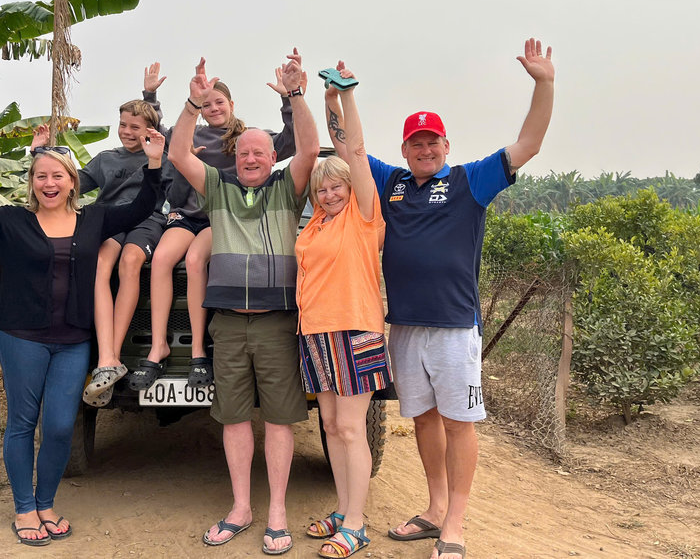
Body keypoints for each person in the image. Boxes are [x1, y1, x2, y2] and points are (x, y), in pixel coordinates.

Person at [325, 38, 555, 559]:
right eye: (416, 143)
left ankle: (454, 524)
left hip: (454, 327)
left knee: (459, 422)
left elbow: (529, 143)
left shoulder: (470, 181)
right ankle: (432, 509)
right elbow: (349, 149)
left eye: (433, 143)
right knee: (424, 420)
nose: (425, 150)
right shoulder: (393, 183)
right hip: (404, 324)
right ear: (405, 149)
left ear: (446, 146)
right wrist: (337, 100)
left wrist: (544, 83)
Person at [0, 130, 165, 547]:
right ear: (32, 183)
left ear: (72, 181)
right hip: (22, 336)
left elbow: (142, 207)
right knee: (23, 422)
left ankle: (46, 502)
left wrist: (154, 163)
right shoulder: (11, 220)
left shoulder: (94, 219)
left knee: (59, 426)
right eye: (40, 176)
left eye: (57, 176)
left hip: (73, 340)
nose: (49, 184)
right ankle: (25, 508)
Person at [167, 52, 319, 556]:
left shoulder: (287, 189)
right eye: (245, 153)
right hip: (228, 326)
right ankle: (240, 507)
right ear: (234, 159)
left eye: (260, 152)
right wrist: (191, 102)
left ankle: (276, 510)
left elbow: (311, 147)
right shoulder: (217, 190)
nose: (252, 159)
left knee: (278, 421)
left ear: (270, 157)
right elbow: (179, 154)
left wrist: (296, 95)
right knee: (233, 419)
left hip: (278, 324)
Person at [129, 62, 298, 390]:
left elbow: (289, 142)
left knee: (194, 260)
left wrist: (288, 101)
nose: (213, 108)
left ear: (232, 105)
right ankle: (158, 345)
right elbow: (159, 134)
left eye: (219, 102)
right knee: (162, 259)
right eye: (207, 104)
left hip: (219, 217)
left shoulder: (246, 140)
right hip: (186, 215)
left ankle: (196, 352)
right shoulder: (190, 133)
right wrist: (150, 95)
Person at [295, 63, 390, 559]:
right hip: (317, 334)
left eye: (336, 186)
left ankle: (356, 523)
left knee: (352, 428)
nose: (330, 193)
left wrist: (344, 99)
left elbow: (352, 150)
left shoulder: (363, 218)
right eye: (321, 189)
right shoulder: (313, 229)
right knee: (331, 429)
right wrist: (325, 105)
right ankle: (342, 507)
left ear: (350, 189)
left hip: (356, 331)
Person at [31, 97, 173, 407]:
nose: (126, 131)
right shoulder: (106, 158)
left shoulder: (161, 157)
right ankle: (107, 359)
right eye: (123, 125)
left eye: (135, 127)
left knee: (131, 261)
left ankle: (114, 352)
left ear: (149, 129)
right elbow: (66, 180)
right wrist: (39, 152)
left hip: (147, 221)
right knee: (98, 264)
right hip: (109, 221)